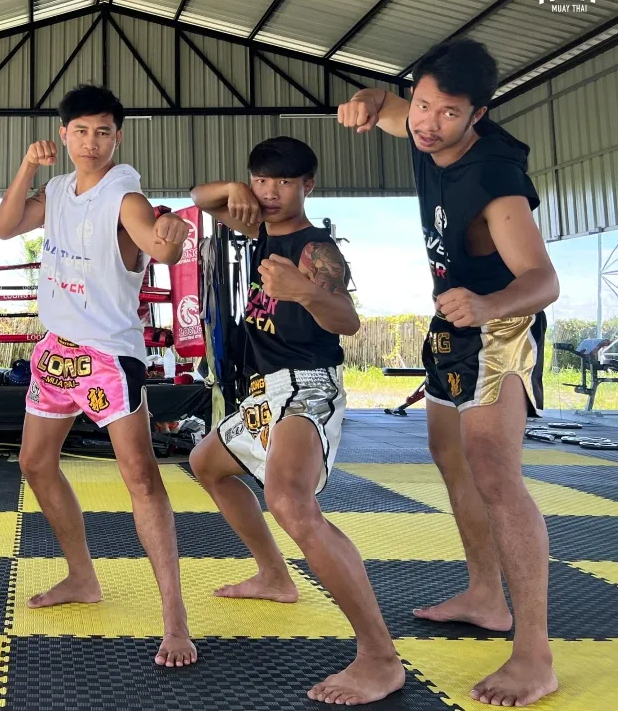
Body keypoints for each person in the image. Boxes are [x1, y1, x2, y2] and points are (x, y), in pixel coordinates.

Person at [338, 38, 559, 707]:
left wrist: (488, 304)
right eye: (423, 104)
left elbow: (543, 280)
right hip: (452, 317)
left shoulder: (494, 182)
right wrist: (367, 103)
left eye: (445, 112)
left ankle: (534, 653)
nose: (426, 122)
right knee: (447, 451)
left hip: (499, 319)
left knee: (492, 465)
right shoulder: (419, 120)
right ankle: (485, 594)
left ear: (477, 115)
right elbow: (386, 105)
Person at [188, 137, 406, 704]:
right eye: (260, 180)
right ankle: (274, 577)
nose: (269, 192)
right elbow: (198, 196)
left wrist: (304, 290)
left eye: (281, 182)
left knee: (289, 502)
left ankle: (380, 657)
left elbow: (349, 323)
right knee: (206, 465)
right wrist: (234, 190)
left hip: (308, 387)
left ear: (307, 186)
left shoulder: (316, 249)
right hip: (264, 393)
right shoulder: (256, 224)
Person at [0, 84, 198, 668]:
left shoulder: (124, 192)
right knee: (35, 463)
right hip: (56, 351)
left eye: (102, 132)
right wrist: (27, 166)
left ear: (118, 136)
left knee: (141, 478)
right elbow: (4, 227)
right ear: (63, 135)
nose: (91, 142)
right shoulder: (56, 190)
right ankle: (81, 576)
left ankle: (175, 619)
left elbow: (154, 243)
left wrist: (169, 240)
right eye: (80, 131)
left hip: (108, 355)